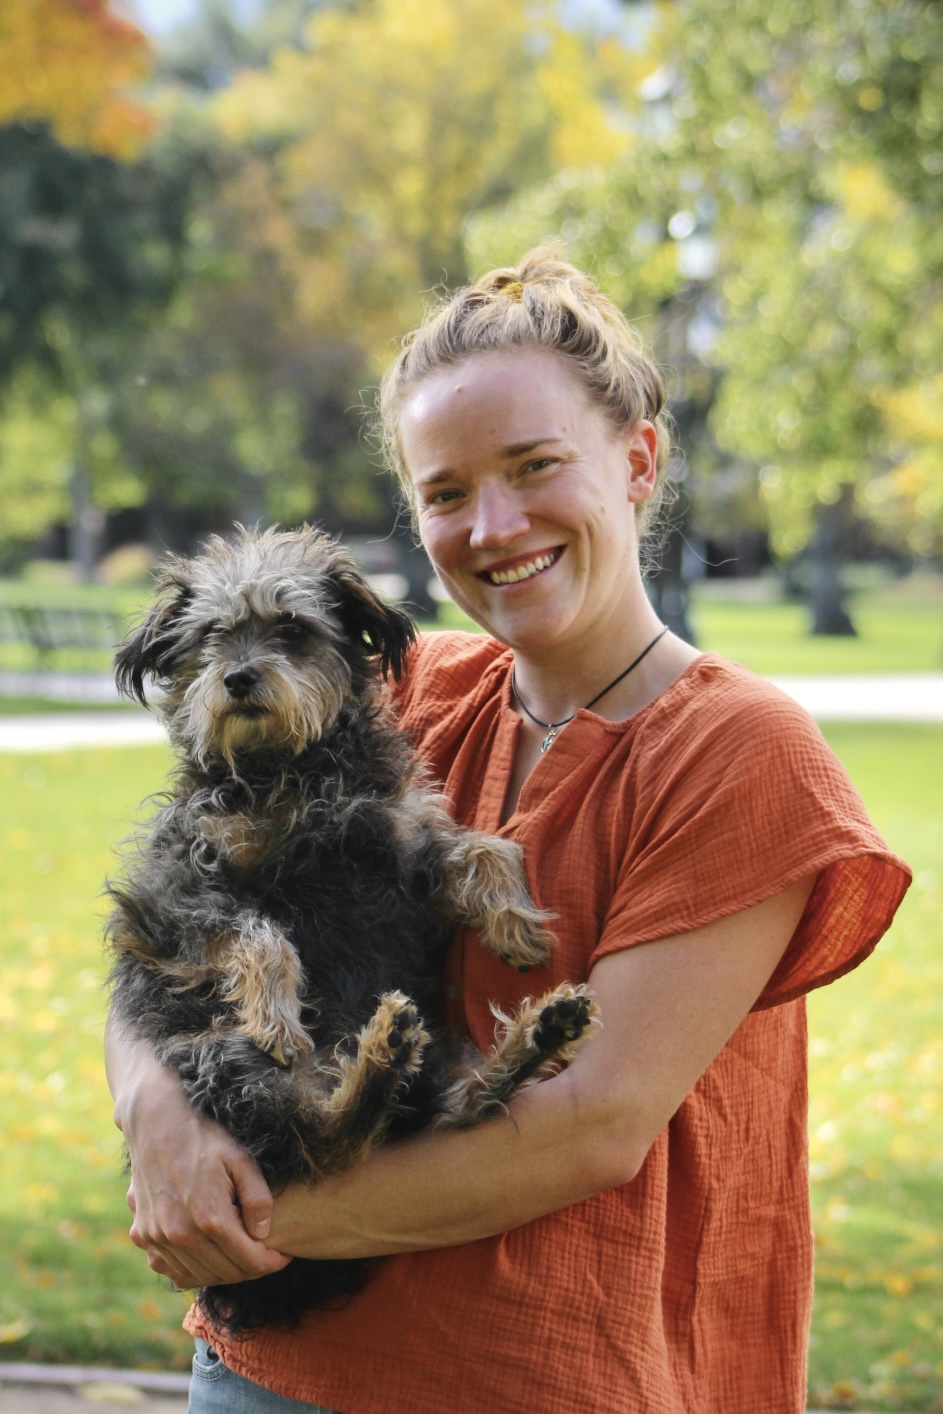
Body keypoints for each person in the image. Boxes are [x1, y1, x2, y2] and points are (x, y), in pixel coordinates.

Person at [105, 249, 910, 1414]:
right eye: (444, 493)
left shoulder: (744, 756)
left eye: (534, 467)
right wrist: (155, 1117)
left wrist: (241, 1215)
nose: (492, 524)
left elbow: (587, 1129)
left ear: (635, 460)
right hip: (271, 1376)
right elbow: (174, 910)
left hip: (553, 1379)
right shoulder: (396, 692)